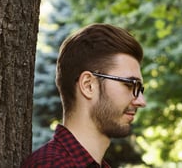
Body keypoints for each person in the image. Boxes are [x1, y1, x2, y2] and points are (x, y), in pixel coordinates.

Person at [22, 23, 147, 168]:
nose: (141, 101)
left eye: (140, 89)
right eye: (130, 84)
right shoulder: (51, 165)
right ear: (88, 85)